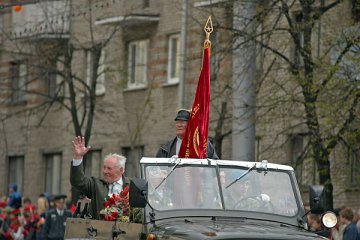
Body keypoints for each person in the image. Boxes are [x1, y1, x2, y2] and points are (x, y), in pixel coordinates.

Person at [70, 136, 129, 220]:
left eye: (109, 168)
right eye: (104, 167)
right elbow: (77, 181)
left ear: (121, 170)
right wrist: (78, 157)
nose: (105, 171)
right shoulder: (95, 185)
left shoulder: (131, 186)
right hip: (98, 231)